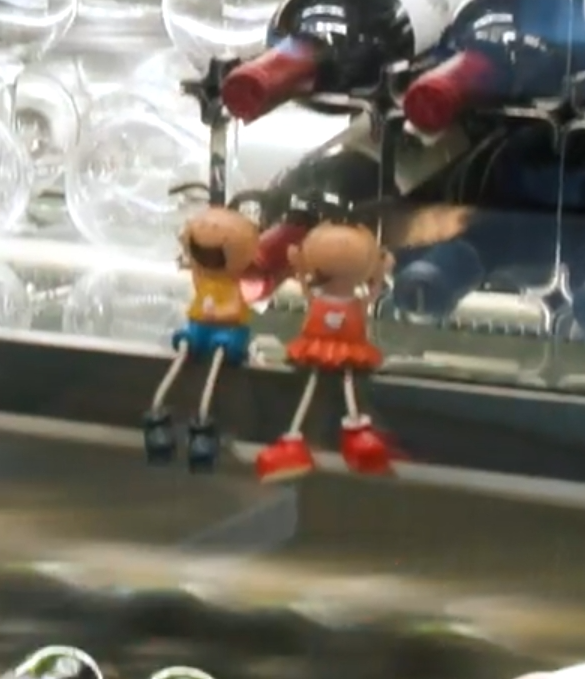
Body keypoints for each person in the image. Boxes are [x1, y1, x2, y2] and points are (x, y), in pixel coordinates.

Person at [255, 221, 396, 482]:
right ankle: (295, 440)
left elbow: (373, 293)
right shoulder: (330, 299)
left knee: (346, 387)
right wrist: (298, 266)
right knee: (313, 391)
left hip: (346, 348)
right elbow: (308, 287)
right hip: (318, 345)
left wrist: (380, 272)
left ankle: (357, 435)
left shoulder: (349, 301)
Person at [142, 206, 259, 469]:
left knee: (216, 364)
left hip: (227, 333)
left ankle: (203, 426)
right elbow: (194, 264)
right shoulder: (202, 277)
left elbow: (236, 309)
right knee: (183, 351)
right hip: (198, 328)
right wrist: (185, 241)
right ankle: (158, 418)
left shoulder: (231, 286)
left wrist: (217, 313)